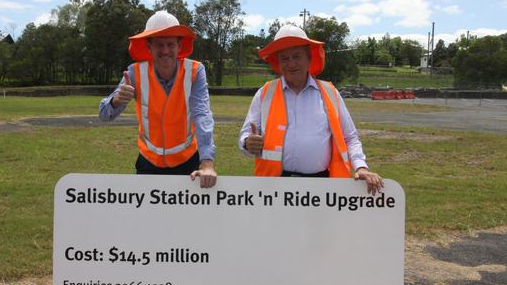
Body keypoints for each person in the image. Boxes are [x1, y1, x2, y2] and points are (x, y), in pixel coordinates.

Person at [238, 24, 383, 194]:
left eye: (297, 56)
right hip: (273, 188)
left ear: (309, 57)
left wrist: (361, 167)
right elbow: (246, 134)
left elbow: (350, 137)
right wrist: (248, 143)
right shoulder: (265, 93)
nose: (291, 63)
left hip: (320, 187)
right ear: (278, 63)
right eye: (284, 58)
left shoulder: (330, 92)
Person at [99, 11, 217, 188]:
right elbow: (104, 114)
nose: (165, 51)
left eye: (170, 44)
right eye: (159, 45)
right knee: (147, 216)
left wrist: (207, 163)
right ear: (148, 47)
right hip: (148, 163)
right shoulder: (134, 72)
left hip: (188, 162)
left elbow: (202, 114)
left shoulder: (195, 71)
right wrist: (116, 100)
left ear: (179, 46)